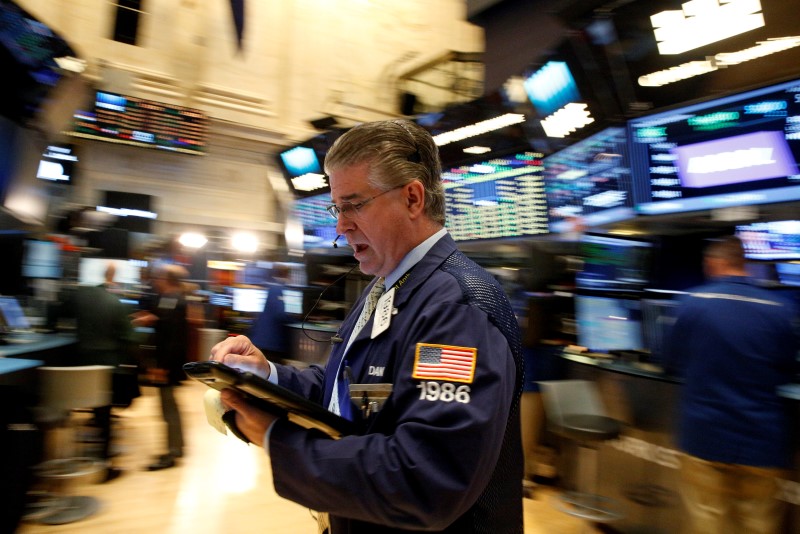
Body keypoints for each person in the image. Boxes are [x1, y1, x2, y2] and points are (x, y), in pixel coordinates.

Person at [210, 119, 524, 533]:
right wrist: (265, 375)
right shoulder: (384, 288)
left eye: (355, 204)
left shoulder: (455, 309)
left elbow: (427, 478)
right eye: (337, 208)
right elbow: (355, 392)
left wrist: (278, 439)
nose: (341, 226)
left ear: (413, 198)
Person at [663, 235, 800, 534]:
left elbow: (669, 361)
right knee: (758, 524)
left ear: (715, 263)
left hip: (704, 436)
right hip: (761, 441)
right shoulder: (780, 309)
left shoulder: (692, 303)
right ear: (744, 265)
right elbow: (788, 370)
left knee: (706, 523)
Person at [61, 261, 138, 482]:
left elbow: (57, 313)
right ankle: (105, 465)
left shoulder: (80, 296)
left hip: (77, 368)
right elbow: (129, 338)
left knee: (96, 406)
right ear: (115, 279)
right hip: (106, 370)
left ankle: (85, 447)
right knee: (104, 410)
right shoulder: (115, 303)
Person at [132, 263, 190, 471]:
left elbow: (173, 340)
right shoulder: (171, 300)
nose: (156, 281)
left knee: (168, 409)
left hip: (168, 365)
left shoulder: (175, 301)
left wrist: (162, 367)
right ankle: (178, 446)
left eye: (159, 278)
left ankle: (172, 452)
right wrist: (153, 319)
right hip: (168, 364)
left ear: (167, 280)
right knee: (170, 406)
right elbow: (166, 324)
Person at [247, 263, 291, 361]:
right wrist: (296, 320)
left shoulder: (267, 286)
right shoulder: (278, 289)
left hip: (259, 339)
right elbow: (280, 314)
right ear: (286, 275)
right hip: (271, 342)